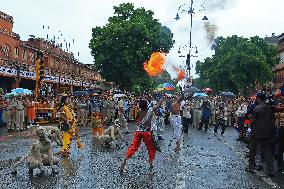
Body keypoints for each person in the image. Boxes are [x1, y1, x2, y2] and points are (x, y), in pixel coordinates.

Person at [120, 94, 164, 173]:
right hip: (146, 132)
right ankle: (150, 164)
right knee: (151, 148)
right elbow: (159, 105)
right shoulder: (150, 110)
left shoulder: (139, 111)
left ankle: (124, 161)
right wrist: (162, 96)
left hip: (138, 131)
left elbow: (137, 118)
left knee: (133, 147)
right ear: (147, 105)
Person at [246, 91, 275, 177]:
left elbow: (252, 121)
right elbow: (272, 121)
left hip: (256, 132)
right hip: (266, 133)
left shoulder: (256, 109)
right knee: (267, 152)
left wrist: (250, 118)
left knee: (252, 150)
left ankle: (251, 167)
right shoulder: (269, 109)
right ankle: (271, 170)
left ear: (258, 98)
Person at [169, 88, 184, 152]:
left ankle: (178, 145)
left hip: (177, 118)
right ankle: (177, 144)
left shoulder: (178, 101)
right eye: (174, 96)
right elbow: (171, 111)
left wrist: (181, 90)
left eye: (176, 95)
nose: (175, 97)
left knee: (178, 131)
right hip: (173, 117)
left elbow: (183, 96)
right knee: (176, 131)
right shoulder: (172, 103)